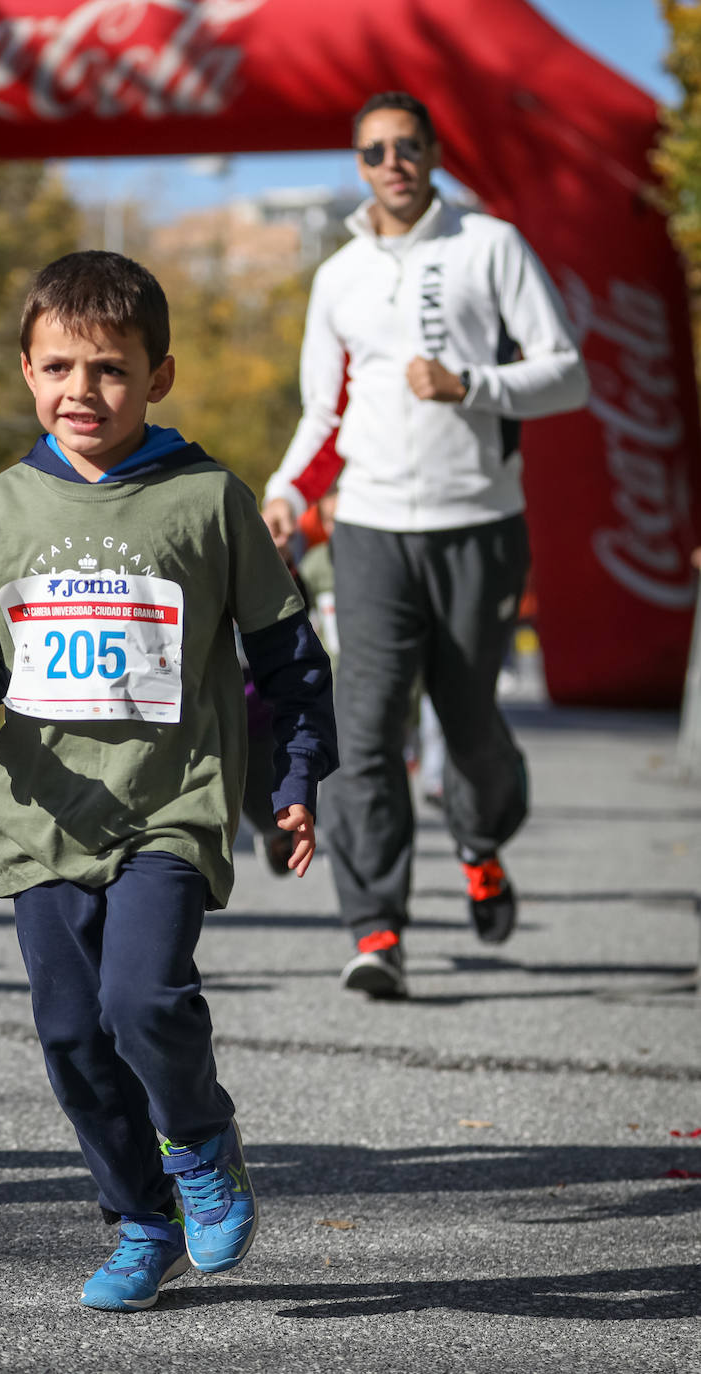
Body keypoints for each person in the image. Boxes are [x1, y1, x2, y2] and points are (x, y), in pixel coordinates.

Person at [0, 250, 337, 1312]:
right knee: (71, 1035)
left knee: (143, 999)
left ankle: (198, 1143)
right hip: (44, 816)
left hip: (169, 805)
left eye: (107, 368)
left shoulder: (208, 499)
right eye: (57, 368)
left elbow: (289, 661)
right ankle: (141, 1218)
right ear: (25, 371)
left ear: (160, 376)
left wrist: (294, 777)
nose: (80, 391)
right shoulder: (0, 506)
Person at [262, 91, 588, 1000]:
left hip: (478, 524)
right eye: (374, 151)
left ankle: (482, 844)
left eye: (408, 146)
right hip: (368, 528)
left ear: (435, 153)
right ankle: (375, 929)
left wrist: (471, 384)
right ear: (357, 166)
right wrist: (289, 491)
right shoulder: (339, 276)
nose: (392, 162)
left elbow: (568, 375)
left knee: (470, 720)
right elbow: (324, 410)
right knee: (364, 733)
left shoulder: (491, 245)